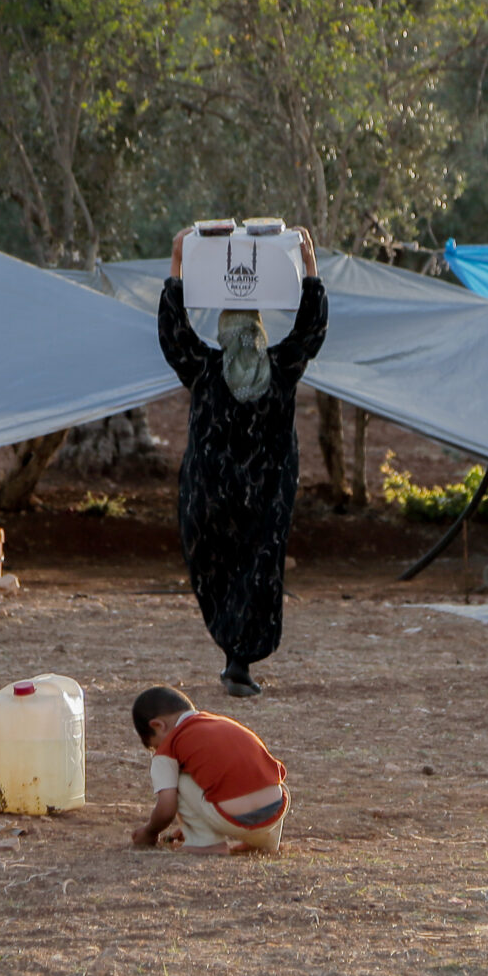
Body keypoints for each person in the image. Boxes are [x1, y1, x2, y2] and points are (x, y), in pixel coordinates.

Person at [159, 223, 327, 697]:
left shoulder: (205, 370)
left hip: (209, 495)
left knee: (217, 567)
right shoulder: (281, 370)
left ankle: (234, 655)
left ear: (224, 335)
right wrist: (309, 267)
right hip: (266, 498)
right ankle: (240, 659)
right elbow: (311, 330)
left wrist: (177, 263)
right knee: (257, 570)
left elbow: (173, 333)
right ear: (257, 332)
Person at [127, 686, 288, 854]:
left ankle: (205, 842)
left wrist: (149, 832)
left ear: (158, 726)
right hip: (274, 813)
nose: (158, 750)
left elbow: (167, 807)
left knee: (178, 779)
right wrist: (195, 822)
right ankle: (265, 842)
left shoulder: (170, 746)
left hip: (233, 819)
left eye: (155, 745)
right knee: (265, 777)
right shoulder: (224, 724)